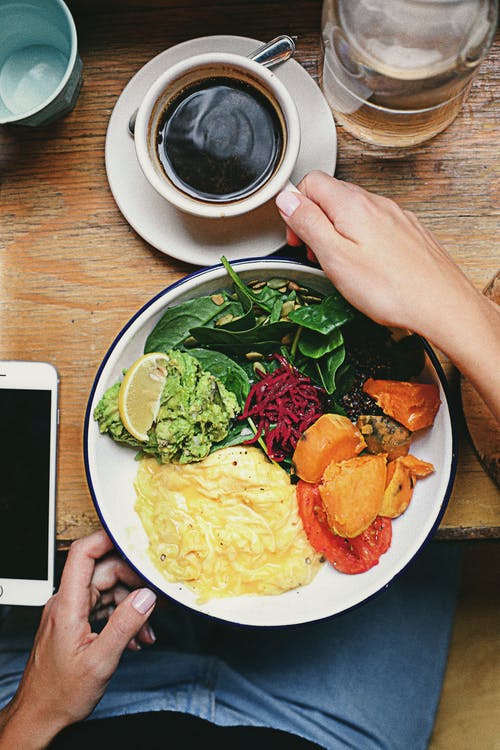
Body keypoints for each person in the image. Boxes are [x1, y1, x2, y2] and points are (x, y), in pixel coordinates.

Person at [1, 173, 498, 750]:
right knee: (446, 511)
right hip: (311, 730)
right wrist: (452, 306)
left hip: (70, 703)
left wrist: (33, 713)